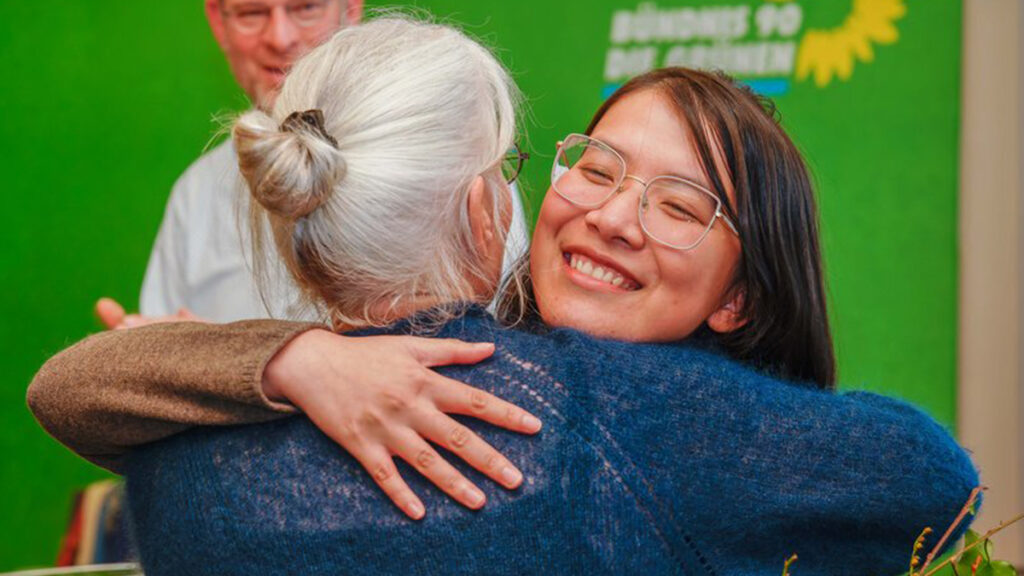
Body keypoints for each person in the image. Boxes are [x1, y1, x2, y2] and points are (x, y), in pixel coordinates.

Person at [29, 18, 978, 575]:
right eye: (596, 166)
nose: (611, 216)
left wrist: (268, 360)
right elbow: (937, 480)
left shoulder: (180, 460)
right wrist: (293, 356)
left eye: (682, 203)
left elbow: (71, 390)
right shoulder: (629, 430)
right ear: (491, 211)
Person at [96, 0, 528, 327]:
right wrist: (177, 363)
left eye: (305, 7)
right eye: (251, 12)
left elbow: (503, 324)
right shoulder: (195, 194)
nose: (280, 37)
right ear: (217, 20)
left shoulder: (464, 171)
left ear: (352, 8)